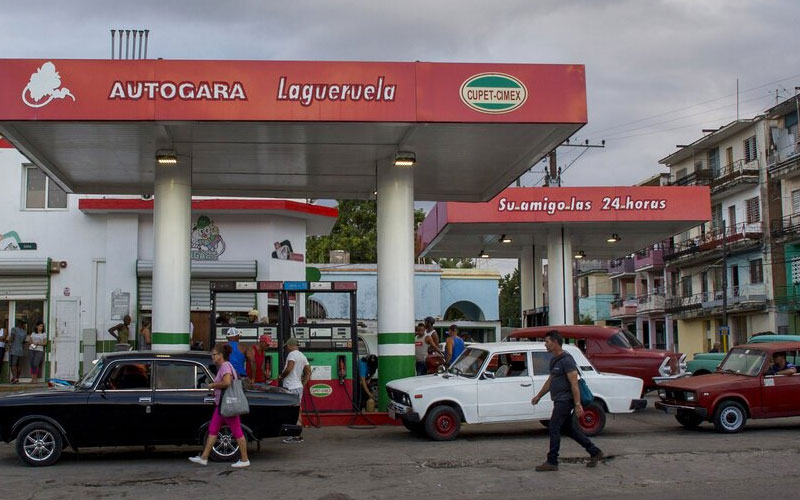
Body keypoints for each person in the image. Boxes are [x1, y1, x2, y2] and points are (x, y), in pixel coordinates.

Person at [531, 330, 603, 471]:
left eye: (547, 342)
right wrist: (539, 395)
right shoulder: (554, 360)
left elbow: (574, 383)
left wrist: (577, 404)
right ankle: (594, 451)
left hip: (565, 400)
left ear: (555, 343)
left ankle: (552, 461)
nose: (545, 345)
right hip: (559, 399)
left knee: (554, 426)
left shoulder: (567, 360)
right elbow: (551, 380)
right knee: (568, 428)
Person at [189, 344, 250, 468]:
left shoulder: (225, 366)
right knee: (213, 430)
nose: (212, 357)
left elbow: (227, 382)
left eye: (214, 354)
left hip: (227, 405)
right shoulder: (225, 366)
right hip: (222, 405)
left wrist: (213, 385)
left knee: (237, 431)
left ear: (220, 355)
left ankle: (245, 459)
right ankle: (204, 457)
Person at [278, 337, 310, 443]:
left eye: (287, 346)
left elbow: (289, 368)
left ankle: (294, 435)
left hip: (291, 387)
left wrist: (281, 376)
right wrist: (302, 384)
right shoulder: (302, 356)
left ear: (290, 345)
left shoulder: (292, 354)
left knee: (292, 412)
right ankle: (297, 434)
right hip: (298, 387)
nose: (286, 348)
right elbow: (308, 372)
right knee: (297, 410)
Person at [7, 320, 27, 384]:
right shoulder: (24, 332)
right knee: (19, 365)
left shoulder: (14, 329)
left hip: (14, 349)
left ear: (18, 323)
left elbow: (12, 338)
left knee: (13, 364)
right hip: (21, 350)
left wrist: (8, 345)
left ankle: (15, 378)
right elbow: (24, 342)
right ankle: (17, 378)